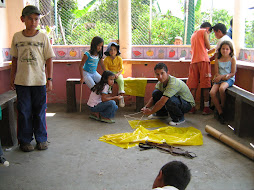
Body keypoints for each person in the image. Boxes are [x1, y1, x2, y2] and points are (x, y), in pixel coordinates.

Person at [10, 5, 55, 152]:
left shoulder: (43, 37)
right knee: (23, 111)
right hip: (22, 81)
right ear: (23, 19)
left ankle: (41, 139)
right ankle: (25, 141)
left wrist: (49, 79)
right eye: (30, 18)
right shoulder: (17, 37)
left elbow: (49, 59)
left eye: (36, 19)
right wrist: (12, 78)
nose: (33, 22)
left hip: (39, 81)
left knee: (40, 111)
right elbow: (14, 60)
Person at [186, 22, 213, 115]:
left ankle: (192, 107)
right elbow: (208, 47)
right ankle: (206, 108)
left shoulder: (193, 34)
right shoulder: (204, 31)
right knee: (205, 84)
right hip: (203, 61)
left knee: (193, 85)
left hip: (193, 62)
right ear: (208, 29)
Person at [210, 41, 236, 124]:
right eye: (223, 49)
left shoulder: (232, 59)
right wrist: (219, 77)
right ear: (220, 50)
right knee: (212, 92)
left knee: (222, 88)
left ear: (230, 50)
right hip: (219, 78)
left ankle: (223, 106)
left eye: (227, 49)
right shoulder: (217, 59)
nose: (225, 51)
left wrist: (222, 77)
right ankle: (220, 112)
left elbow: (232, 73)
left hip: (229, 79)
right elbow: (216, 72)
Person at [104, 42, 125, 107]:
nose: (113, 51)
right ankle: (108, 97)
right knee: (108, 82)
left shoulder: (119, 59)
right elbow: (106, 69)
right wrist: (111, 75)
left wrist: (118, 74)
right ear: (108, 51)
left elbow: (121, 68)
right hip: (109, 74)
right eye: (111, 49)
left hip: (117, 73)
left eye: (114, 49)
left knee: (121, 80)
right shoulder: (106, 59)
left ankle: (121, 98)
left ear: (117, 51)